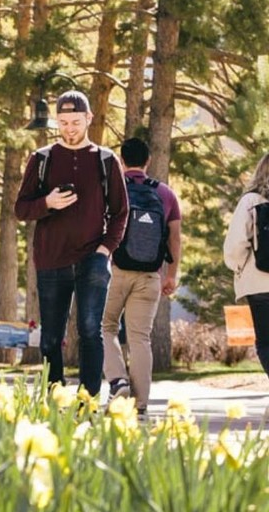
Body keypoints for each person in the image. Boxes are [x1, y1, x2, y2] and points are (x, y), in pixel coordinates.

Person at [14, 90, 128, 396]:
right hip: (51, 260)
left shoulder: (106, 160)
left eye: (75, 122)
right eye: (63, 122)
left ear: (89, 118)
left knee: (90, 332)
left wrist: (105, 251)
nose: (69, 128)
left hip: (92, 259)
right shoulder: (42, 159)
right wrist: (47, 202)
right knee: (51, 338)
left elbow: (120, 212)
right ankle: (55, 396)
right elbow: (21, 209)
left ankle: (87, 401)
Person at [102, 137, 182, 414]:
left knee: (106, 327)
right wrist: (171, 275)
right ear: (147, 161)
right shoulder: (165, 193)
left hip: (115, 270)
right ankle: (141, 404)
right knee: (140, 338)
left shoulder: (111, 189)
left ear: (122, 160)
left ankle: (117, 380)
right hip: (150, 274)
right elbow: (175, 238)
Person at [224, 153, 269, 379]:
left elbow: (235, 245)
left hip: (259, 282)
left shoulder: (251, 201)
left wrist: (237, 267)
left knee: (266, 343)